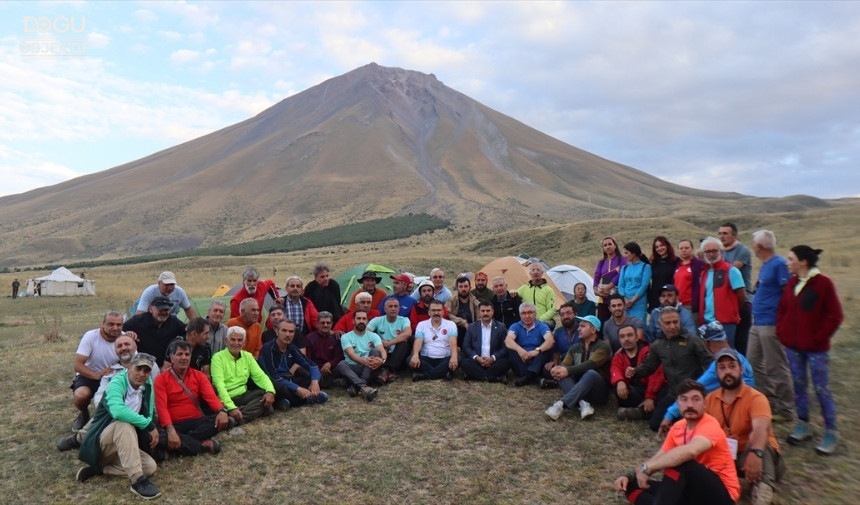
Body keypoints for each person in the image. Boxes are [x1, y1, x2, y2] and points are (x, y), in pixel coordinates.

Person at [613, 379, 740, 505]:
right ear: (677, 403)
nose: (690, 405)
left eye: (696, 399)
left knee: (681, 462)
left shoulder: (710, 425)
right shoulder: (678, 427)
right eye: (684, 399)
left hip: (721, 496)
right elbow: (659, 457)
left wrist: (649, 468)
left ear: (705, 404)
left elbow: (691, 451)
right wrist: (630, 475)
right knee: (631, 486)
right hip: (691, 493)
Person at [777, 245, 843, 456]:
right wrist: (782, 332)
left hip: (816, 350)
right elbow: (783, 311)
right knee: (798, 385)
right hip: (793, 347)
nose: (787, 262)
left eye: (790, 258)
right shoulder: (791, 284)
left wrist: (817, 338)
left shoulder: (823, 284)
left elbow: (835, 315)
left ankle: (831, 432)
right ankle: (803, 424)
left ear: (803, 261)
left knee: (821, 389)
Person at [75, 354, 163, 500]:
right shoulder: (116, 383)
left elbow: (148, 412)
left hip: (124, 445)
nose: (142, 374)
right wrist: (149, 425)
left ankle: (100, 469)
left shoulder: (147, 386)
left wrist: (149, 427)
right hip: (101, 443)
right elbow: (118, 411)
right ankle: (138, 481)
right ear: (129, 367)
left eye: (146, 371)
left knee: (150, 467)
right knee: (123, 424)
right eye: (138, 369)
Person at [706, 348, 785, 505]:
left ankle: (763, 491)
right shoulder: (709, 399)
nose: (727, 371)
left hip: (758, 455)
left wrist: (755, 453)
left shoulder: (756, 398)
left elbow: (760, 429)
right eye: (722, 367)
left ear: (741, 370)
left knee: (763, 446)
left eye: (732, 366)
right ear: (716, 373)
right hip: (726, 456)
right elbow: (704, 433)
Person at [57, 335, 161, 453]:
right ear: (115, 351)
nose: (124, 348)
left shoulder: (151, 366)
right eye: (119, 346)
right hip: (116, 414)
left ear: (135, 346)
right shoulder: (111, 372)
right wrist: (107, 409)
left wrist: (153, 418)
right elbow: (100, 395)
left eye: (127, 344)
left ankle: (82, 438)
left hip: (143, 413)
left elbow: (156, 392)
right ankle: (80, 439)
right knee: (108, 416)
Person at [659, 321, 755, 434]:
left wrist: (670, 415)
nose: (727, 370)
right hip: (747, 410)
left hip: (733, 412)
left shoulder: (719, 366)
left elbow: (697, 387)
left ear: (706, 343)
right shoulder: (741, 358)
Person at [627, 306, 713, 432]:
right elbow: (649, 367)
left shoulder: (693, 341)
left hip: (693, 394)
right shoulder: (658, 345)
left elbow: (710, 363)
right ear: (659, 324)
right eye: (668, 323)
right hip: (673, 394)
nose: (673, 326)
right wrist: (635, 371)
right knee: (654, 425)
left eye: (675, 322)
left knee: (690, 425)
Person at [747, 230, 794, 422]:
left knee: (776, 365)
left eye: (753, 244)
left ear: (759, 247)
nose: (752, 247)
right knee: (752, 362)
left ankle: (786, 409)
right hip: (757, 321)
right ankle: (768, 401)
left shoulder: (779, 264)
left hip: (770, 323)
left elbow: (789, 294)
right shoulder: (766, 265)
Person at [154, 340, 230, 459]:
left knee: (222, 420)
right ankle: (201, 445)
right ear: (172, 357)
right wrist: (170, 430)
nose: (184, 357)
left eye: (187, 354)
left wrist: (221, 410)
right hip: (174, 424)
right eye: (179, 354)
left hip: (197, 422)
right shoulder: (161, 379)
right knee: (158, 435)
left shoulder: (199, 375)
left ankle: (177, 446)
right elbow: (161, 408)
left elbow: (211, 397)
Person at [543, 314, 611, 420]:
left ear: (593, 329)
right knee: (562, 374)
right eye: (579, 326)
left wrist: (566, 370)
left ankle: (561, 404)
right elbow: (565, 365)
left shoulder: (603, 347)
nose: (578, 328)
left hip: (598, 392)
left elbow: (590, 364)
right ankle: (583, 403)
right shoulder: (575, 348)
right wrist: (556, 370)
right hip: (578, 388)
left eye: (583, 326)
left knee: (591, 373)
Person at [70, 311, 125, 431]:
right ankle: (84, 414)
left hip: (113, 376)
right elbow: (78, 365)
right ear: (102, 324)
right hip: (90, 374)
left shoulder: (125, 339)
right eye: (110, 324)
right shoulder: (91, 336)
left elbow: (133, 362)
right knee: (81, 395)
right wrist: (96, 375)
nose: (115, 328)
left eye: (119, 325)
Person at [210, 326, 276, 425]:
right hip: (227, 397)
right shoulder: (217, 358)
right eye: (233, 339)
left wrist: (270, 391)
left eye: (240, 340)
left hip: (244, 394)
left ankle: (236, 417)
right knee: (267, 406)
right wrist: (231, 407)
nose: (236, 343)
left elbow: (260, 376)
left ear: (244, 342)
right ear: (226, 341)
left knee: (265, 394)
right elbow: (219, 385)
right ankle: (245, 414)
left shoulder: (248, 356)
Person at [258, 319, 329, 408]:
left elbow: (312, 365)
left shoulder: (291, 348)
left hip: (288, 379)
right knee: (279, 387)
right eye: (284, 331)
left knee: (317, 378)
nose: (287, 334)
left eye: (291, 332)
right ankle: (306, 399)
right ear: (277, 332)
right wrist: (297, 388)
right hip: (271, 382)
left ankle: (285, 402)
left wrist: (314, 382)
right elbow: (273, 377)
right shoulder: (267, 348)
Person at [611, 324, 666, 423]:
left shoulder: (650, 351)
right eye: (622, 337)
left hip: (653, 389)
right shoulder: (619, 356)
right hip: (636, 391)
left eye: (630, 335)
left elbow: (656, 376)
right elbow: (615, 369)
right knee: (619, 390)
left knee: (663, 394)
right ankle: (645, 410)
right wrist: (619, 381)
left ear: (637, 338)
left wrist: (650, 397)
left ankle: (642, 412)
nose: (626, 339)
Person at [699, 237, 746, 349]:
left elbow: (741, 294)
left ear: (721, 251)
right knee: (710, 353)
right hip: (707, 321)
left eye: (715, 251)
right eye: (708, 251)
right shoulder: (704, 273)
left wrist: (732, 310)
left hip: (726, 322)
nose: (711, 254)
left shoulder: (731, 270)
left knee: (727, 352)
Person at [719, 222, 754, 355]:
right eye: (720, 233)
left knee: (740, 342)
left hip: (741, 300)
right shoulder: (721, 252)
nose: (722, 237)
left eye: (725, 233)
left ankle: (743, 373)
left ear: (734, 235)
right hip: (725, 301)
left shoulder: (742, 251)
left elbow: (730, 271)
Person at [123, 296, 186, 368]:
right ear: (151, 309)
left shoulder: (173, 321)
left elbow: (187, 332)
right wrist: (128, 333)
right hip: (142, 364)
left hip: (166, 366)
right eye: (161, 309)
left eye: (166, 310)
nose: (164, 312)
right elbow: (121, 331)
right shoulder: (138, 321)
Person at [336, 310, 384, 401]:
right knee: (342, 364)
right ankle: (364, 386)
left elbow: (382, 350)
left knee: (375, 351)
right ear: (353, 321)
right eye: (358, 318)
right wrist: (365, 361)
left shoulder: (374, 336)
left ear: (367, 321)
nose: (361, 321)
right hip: (353, 368)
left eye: (364, 319)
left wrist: (382, 360)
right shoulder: (346, 337)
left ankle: (357, 386)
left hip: (369, 368)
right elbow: (351, 355)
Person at [504, 302, 554, 387]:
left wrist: (536, 351)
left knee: (544, 351)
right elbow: (508, 340)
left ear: (535, 314)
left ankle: (526, 378)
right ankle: (536, 378)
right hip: (522, 359)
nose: (527, 316)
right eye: (524, 313)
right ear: (520, 315)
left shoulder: (542, 326)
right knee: (511, 350)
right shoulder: (515, 326)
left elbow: (550, 341)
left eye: (530, 312)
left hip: (536, 358)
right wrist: (520, 351)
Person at [459, 302, 509, 383]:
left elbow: (504, 348)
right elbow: (466, 346)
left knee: (506, 362)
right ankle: (495, 378)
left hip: (494, 362)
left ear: (493, 312)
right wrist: (477, 358)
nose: (485, 313)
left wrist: (493, 358)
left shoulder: (501, 327)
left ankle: (475, 375)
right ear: (479, 312)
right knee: (464, 362)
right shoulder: (472, 327)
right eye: (483, 311)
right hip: (477, 362)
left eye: (488, 311)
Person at [409, 300, 459, 381]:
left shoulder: (451, 324)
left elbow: (453, 342)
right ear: (429, 312)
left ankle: (424, 375)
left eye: (439, 310)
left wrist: (454, 357)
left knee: (458, 359)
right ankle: (443, 373)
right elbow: (418, 341)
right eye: (433, 310)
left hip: (445, 358)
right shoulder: (421, 324)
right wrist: (415, 355)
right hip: (426, 358)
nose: (436, 313)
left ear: (443, 312)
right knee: (409, 360)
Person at [368, 298, 413, 380]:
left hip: (398, 354)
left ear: (399, 309)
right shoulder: (377, 320)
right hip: (383, 351)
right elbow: (366, 332)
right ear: (385, 309)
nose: (393, 309)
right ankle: (388, 372)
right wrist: (380, 342)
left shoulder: (404, 320)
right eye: (390, 306)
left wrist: (390, 343)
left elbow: (408, 333)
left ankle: (386, 370)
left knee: (404, 344)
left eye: (396, 306)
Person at [304, 311, 346, 389]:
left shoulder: (335, 338)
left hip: (331, 369)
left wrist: (330, 364)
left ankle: (324, 382)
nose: (325, 325)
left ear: (332, 324)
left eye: (328, 323)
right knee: (304, 372)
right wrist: (318, 370)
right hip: (314, 369)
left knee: (343, 365)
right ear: (317, 323)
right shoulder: (309, 338)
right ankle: (333, 383)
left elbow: (339, 356)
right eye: (322, 323)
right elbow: (307, 358)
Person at [543, 303, 579, 382]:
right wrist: (555, 362)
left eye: (569, 313)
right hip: (564, 364)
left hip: (579, 364)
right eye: (562, 314)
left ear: (575, 314)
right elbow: (556, 351)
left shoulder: (581, 329)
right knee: (546, 371)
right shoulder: (558, 332)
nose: (565, 317)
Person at [594, 236, 626, 323]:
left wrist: (610, 286)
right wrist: (595, 289)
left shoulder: (622, 259)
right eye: (605, 245)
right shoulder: (601, 262)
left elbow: (621, 274)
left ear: (615, 246)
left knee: (619, 320)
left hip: (618, 293)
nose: (607, 247)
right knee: (602, 321)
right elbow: (597, 276)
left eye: (610, 244)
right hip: (604, 295)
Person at [617, 242, 652, 321]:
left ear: (634, 253)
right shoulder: (625, 268)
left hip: (639, 303)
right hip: (625, 303)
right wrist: (624, 299)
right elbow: (621, 285)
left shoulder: (645, 267)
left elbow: (644, 286)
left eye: (627, 253)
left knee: (639, 326)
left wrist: (632, 300)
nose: (625, 255)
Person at [517, 262, 557, 330]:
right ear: (530, 273)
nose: (535, 272)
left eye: (538, 270)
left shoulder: (548, 290)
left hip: (543, 321)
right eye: (533, 270)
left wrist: (538, 320)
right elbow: (512, 294)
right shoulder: (524, 289)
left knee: (546, 325)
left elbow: (552, 310)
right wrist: (512, 292)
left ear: (542, 273)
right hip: (528, 320)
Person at [674, 238, 706, 320]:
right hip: (678, 304)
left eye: (686, 248)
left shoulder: (699, 264)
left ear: (692, 249)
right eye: (681, 248)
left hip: (691, 305)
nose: (683, 250)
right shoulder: (678, 265)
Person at [447, 275, 481, 348]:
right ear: (457, 288)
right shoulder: (451, 301)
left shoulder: (476, 302)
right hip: (455, 331)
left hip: (471, 331)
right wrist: (463, 322)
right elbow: (447, 314)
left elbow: (480, 318)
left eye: (465, 286)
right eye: (461, 287)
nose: (463, 289)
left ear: (470, 287)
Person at [648, 236, 679, 312]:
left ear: (667, 245)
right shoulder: (654, 262)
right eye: (657, 247)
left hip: (670, 299)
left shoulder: (676, 261)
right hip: (656, 298)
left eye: (662, 245)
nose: (659, 248)